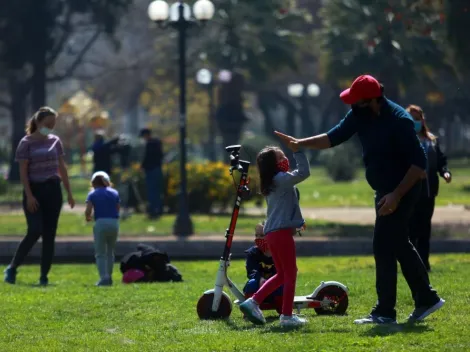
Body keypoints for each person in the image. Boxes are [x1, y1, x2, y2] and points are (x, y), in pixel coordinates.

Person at [275, 75, 445, 325]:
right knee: (396, 243)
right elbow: (334, 137)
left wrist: (396, 196)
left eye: (356, 102)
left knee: (384, 245)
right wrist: (300, 143)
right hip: (385, 191)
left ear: (373, 100)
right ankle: (424, 298)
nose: (351, 107)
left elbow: (419, 165)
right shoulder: (361, 115)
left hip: (404, 189)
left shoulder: (399, 121)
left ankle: (387, 311)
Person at [239, 143, 310, 327]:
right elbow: (304, 173)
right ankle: (286, 317)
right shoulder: (280, 179)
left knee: (281, 275)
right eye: (280, 158)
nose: (285, 159)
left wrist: (296, 222)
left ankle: (253, 302)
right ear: (273, 164)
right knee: (291, 273)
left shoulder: (272, 182)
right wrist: (298, 151)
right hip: (280, 234)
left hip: (272, 233)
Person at [4, 107, 75, 285]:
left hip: (53, 190)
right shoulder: (26, 143)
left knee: (49, 235)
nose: (50, 127)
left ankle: (44, 276)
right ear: (37, 122)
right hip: (35, 190)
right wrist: (29, 195)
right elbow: (23, 172)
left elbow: (62, 168)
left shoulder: (55, 141)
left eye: (53, 124)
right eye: (47, 123)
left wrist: (69, 192)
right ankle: (12, 267)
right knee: (35, 230)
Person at [407, 105, 452, 272]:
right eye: (411, 119)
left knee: (425, 228)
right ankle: (412, 264)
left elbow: (441, 161)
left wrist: (445, 173)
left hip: (428, 192)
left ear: (422, 120)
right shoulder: (404, 139)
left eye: (417, 118)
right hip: (410, 192)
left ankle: (424, 263)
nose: (415, 122)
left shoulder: (431, 140)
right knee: (411, 229)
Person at [85, 171, 120, 286]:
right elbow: (117, 208)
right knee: (110, 251)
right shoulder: (114, 192)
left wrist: (88, 217)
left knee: (100, 252)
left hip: (100, 222)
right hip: (114, 222)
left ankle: (103, 277)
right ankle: (109, 276)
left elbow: (88, 210)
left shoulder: (93, 194)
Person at [243, 223, 283, 310]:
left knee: (283, 286)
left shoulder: (279, 253)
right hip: (258, 285)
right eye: (256, 235)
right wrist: (260, 279)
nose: (258, 238)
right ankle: (249, 311)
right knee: (251, 283)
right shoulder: (253, 253)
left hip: (275, 287)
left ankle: (283, 311)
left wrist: (270, 282)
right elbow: (251, 270)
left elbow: (281, 273)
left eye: (262, 235)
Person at [139, 128, 164, 218]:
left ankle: (153, 211)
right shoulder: (157, 142)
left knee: (152, 191)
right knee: (157, 191)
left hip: (151, 170)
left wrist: (142, 166)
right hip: (157, 168)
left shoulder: (150, 144)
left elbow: (148, 157)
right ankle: (159, 210)